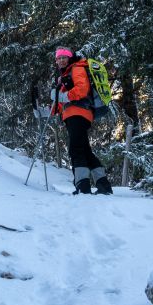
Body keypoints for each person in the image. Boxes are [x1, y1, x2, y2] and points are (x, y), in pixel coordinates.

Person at [52, 47, 113, 195]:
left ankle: (82, 186)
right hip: (75, 114)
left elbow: (82, 89)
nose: (61, 60)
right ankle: (103, 185)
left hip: (78, 113)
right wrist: (53, 108)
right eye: (58, 58)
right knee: (85, 150)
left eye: (64, 57)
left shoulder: (77, 68)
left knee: (76, 150)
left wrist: (62, 97)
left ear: (70, 58)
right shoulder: (65, 75)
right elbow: (60, 103)